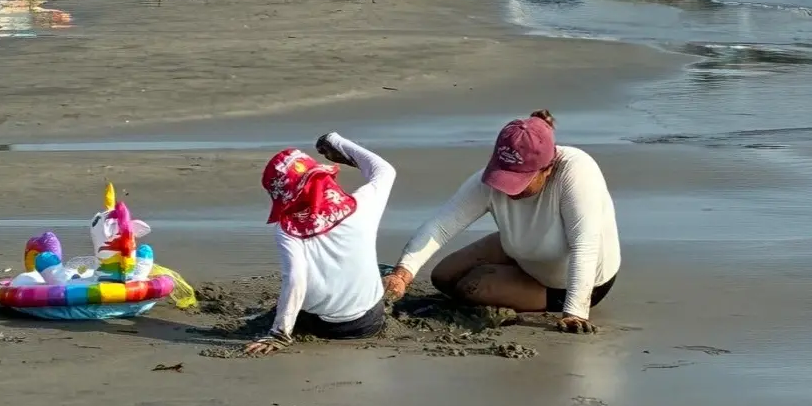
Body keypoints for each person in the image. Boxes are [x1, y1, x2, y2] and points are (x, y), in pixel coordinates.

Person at [381, 110, 621, 334]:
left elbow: (585, 245)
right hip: (524, 247)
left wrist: (574, 313)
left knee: (472, 287)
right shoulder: (491, 178)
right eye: (504, 176)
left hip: (569, 280)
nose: (507, 188)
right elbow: (441, 226)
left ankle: (529, 291)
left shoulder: (577, 172)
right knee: (443, 276)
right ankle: (514, 277)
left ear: (547, 169)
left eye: (520, 180)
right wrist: (402, 275)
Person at [244, 133, 396, 355]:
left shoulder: (289, 230)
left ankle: (279, 326)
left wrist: (279, 333)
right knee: (378, 269)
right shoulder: (363, 204)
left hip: (321, 325)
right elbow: (384, 170)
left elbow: (295, 280)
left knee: (288, 301)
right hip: (368, 322)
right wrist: (337, 142)